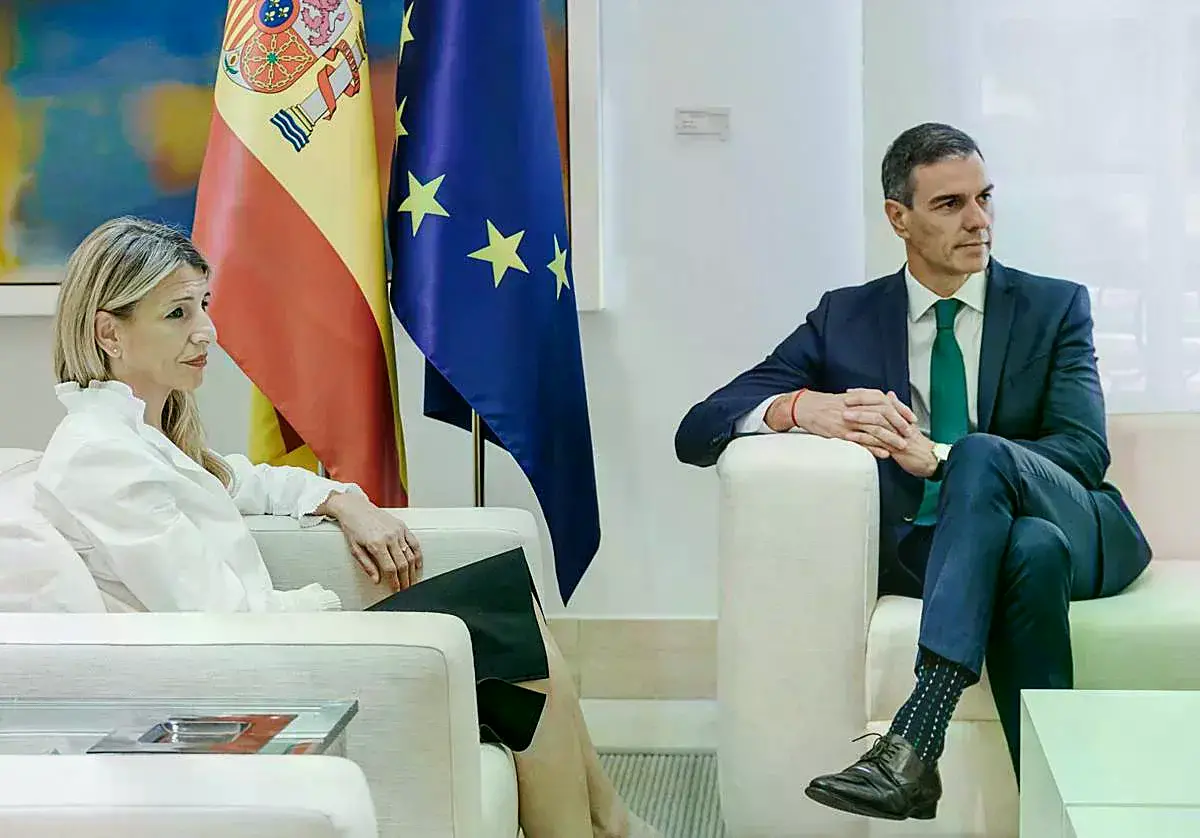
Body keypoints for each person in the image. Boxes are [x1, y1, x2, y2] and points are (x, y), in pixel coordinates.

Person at [34, 216, 659, 838]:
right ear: (108, 333)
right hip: (235, 675)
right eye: (177, 314)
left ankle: (609, 824)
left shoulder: (140, 433)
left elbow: (247, 481)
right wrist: (333, 609)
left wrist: (342, 498)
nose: (206, 330)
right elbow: (212, 614)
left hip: (270, 648)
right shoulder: (101, 454)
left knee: (512, 630)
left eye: (203, 304)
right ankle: (611, 826)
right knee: (506, 626)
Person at [674, 123, 1151, 822]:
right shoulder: (847, 318)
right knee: (1029, 554)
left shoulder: (1054, 306)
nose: (980, 220)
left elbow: (1083, 452)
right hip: (943, 549)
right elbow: (700, 426)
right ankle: (1065, 816)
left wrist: (944, 459)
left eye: (985, 198)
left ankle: (915, 734)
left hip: (1076, 523)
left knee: (988, 461)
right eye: (951, 204)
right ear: (898, 217)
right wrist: (802, 407)